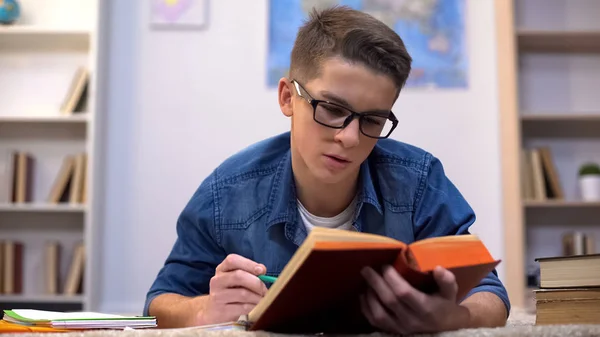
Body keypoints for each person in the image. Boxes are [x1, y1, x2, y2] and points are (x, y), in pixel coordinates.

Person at [143, 5, 510, 334]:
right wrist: (203, 309)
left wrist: (455, 318)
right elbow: (158, 305)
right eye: (332, 109)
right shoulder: (227, 192)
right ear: (288, 97)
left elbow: (489, 293)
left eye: (373, 120)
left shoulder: (418, 180)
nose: (350, 138)